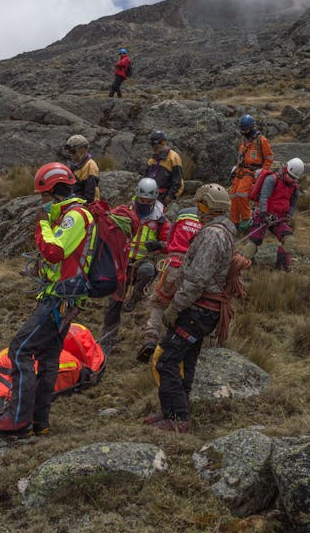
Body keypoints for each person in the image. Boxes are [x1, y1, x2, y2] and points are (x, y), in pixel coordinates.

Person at [0, 162, 95, 438]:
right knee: (47, 358)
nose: (41, 201)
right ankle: (39, 422)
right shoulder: (70, 216)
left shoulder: (76, 217)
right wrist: (38, 271)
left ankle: (17, 420)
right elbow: (61, 261)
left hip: (58, 301)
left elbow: (54, 251)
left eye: (43, 195)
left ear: (56, 192)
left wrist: (42, 224)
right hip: (62, 299)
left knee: (20, 350)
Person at [144, 183, 235, 432]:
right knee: (186, 359)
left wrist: (175, 307)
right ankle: (174, 409)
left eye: (199, 203)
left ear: (206, 206)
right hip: (203, 310)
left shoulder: (212, 235)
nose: (196, 208)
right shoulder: (218, 232)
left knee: (167, 359)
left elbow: (196, 279)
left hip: (197, 310)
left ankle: (176, 417)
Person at [99, 177, 169, 353]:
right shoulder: (124, 212)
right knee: (114, 302)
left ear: (154, 200)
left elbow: (169, 242)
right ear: (136, 196)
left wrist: (160, 245)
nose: (144, 203)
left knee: (147, 271)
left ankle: (136, 297)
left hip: (144, 261)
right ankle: (108, 338)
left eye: (148, 201)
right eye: (141, 200)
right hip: (122, 261)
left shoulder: (161, 219)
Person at [136, 205, 203, 363]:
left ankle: (151, 338)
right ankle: (172, 345)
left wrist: (158, 247)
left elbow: (169, 242)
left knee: (159, 303)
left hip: (174, 265)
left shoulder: (182, 214)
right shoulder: (212, 223)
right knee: (185, 308)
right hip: (195, 270)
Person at [242, 158, 304, 271]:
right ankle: (241, 267)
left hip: (278, 219)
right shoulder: (272, 179)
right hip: (262, 215)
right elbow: (264, 197)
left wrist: (289, 214)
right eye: (290, 176)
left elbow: (294, 202)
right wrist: (264, 215)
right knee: (253, 241)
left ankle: (281, 269)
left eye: (294, 178)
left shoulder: (294, 186)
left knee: (288, 239)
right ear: (286, 169)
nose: (292, 179)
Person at [229, 114, 274, 231]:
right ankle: (234, 222)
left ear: (251, 127)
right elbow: (241, 155)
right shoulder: (244, 139)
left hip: (251, 172)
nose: (243, 132)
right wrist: (236, 166)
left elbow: (269, 158)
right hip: (240, 170)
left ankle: (247, 218)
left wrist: (262, 171)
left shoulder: (261, 140)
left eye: (244, 129)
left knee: (241, 193)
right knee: (233, 194)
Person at [144, 130, 184, 210]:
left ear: (163, 142)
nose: (154, 147)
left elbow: (177, 180)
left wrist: (169, 197)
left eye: (156, 145)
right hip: (151, 195)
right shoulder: (152, 160)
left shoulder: (174, 157)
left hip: (165, 196)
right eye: (152, 145)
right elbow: (145, 178)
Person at [64, 134, 100, 201]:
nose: (71, 154)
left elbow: (90, 197)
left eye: (73, 151)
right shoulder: (74, 166)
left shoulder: (90, 166)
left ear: (82, 149)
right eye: (69, 152)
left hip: (86, 207)